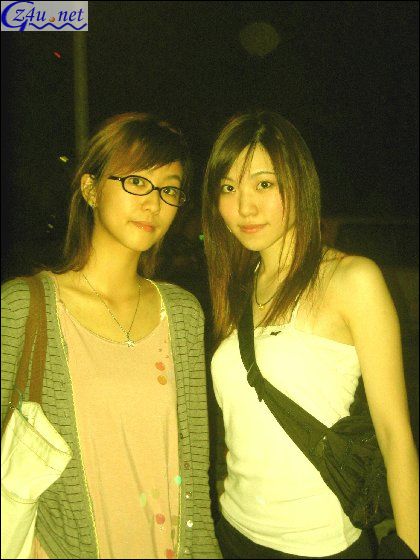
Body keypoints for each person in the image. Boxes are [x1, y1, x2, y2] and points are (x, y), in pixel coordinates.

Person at [1, 112, 221, 559]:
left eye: (169, 189)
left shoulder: (182, 313)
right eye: (136, 181)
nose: (153, 203)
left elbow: (195, 477)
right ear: (90, 189)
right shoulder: (24, 307)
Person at [201, 110, 419, 559]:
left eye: (264, 184)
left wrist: (410, 547)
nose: (244, 206)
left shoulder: (351, 279)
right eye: (228, 187)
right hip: (235, 531)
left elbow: (394, 433)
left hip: (318, 544)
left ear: (299, 184)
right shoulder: (242, 287)